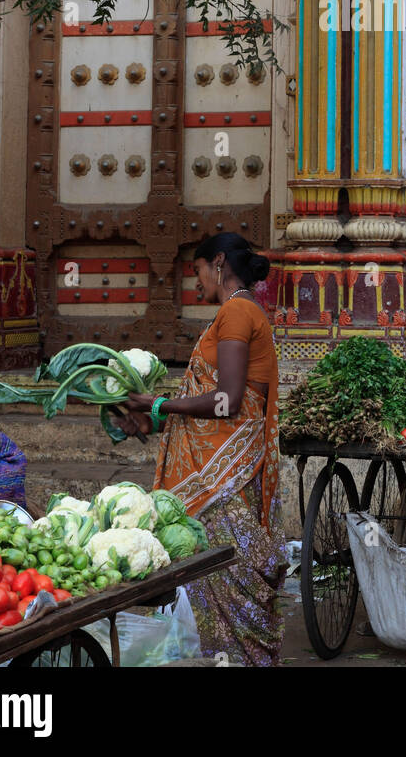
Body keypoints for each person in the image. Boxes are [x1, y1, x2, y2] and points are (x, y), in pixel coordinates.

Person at [120, 231, 286, 666]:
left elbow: (228, 401)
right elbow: (208, 403)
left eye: (195, 270)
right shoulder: (236, 313)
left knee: (227, 575)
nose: (195, 283)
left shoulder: (236, 314)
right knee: (217, 581)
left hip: (224, 482)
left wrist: (157, 403)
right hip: (223, 472)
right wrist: (151, 419)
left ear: (217, 263)